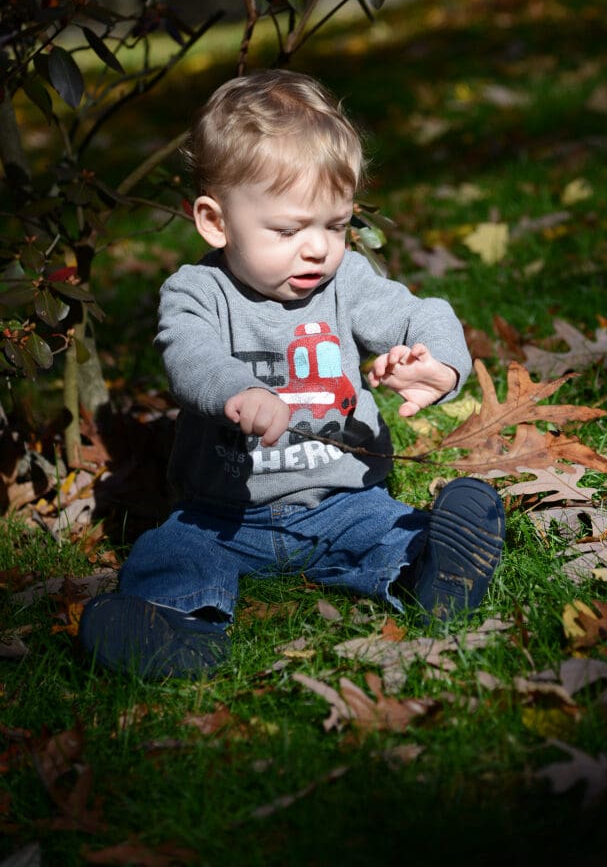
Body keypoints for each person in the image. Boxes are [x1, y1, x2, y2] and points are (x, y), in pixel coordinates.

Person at [78, 69, 505, 680]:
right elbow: (188, 355)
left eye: (335, 225)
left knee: (393, 530)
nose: (317, 248)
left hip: (346, 501)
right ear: (214, 220)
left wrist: (436, 360)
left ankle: (432, 572)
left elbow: (417, 312)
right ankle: (169, 628)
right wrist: (238, 391)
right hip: (222, 514)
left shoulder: (348, 280)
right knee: (167, 553)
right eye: (287, 229)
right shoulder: (199, 292)